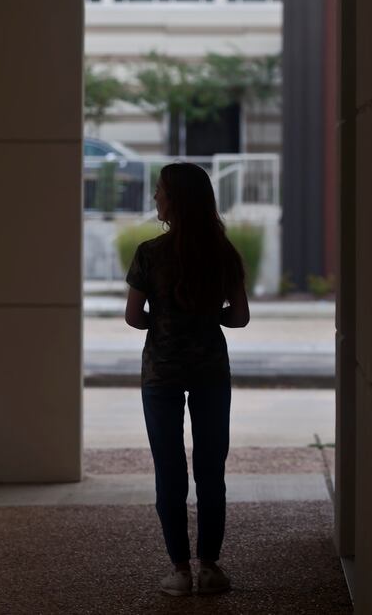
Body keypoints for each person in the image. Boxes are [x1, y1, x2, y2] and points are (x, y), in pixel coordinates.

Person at [125, 162, 249, 597]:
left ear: (174, 200)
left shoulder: (148, 253)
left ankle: (179, 570)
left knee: (170, 469)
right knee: (211, 470)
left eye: (159, 191)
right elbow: (239, 317)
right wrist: (203, 317)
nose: (155, 198)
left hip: (160, 373)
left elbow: (132, 317)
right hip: (211, 371)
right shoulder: (223, 253)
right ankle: (211, 567)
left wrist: (164, 318)